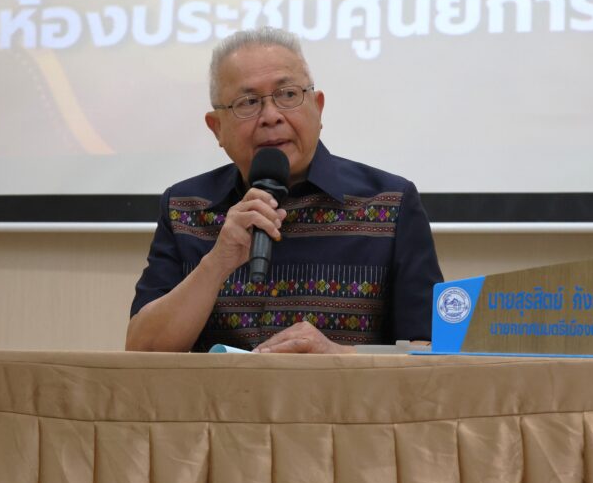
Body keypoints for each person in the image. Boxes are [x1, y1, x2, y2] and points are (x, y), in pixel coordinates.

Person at [126, 27, 442, 353]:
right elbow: (140, 352)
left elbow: (433, 352)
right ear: (216, 127)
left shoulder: (390, 204)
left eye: (288, 95)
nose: (271, 116)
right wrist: (216, 263)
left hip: (342, 389)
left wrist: (340, 356)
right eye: (248, 102)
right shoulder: (185, 208)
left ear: (318, 108)